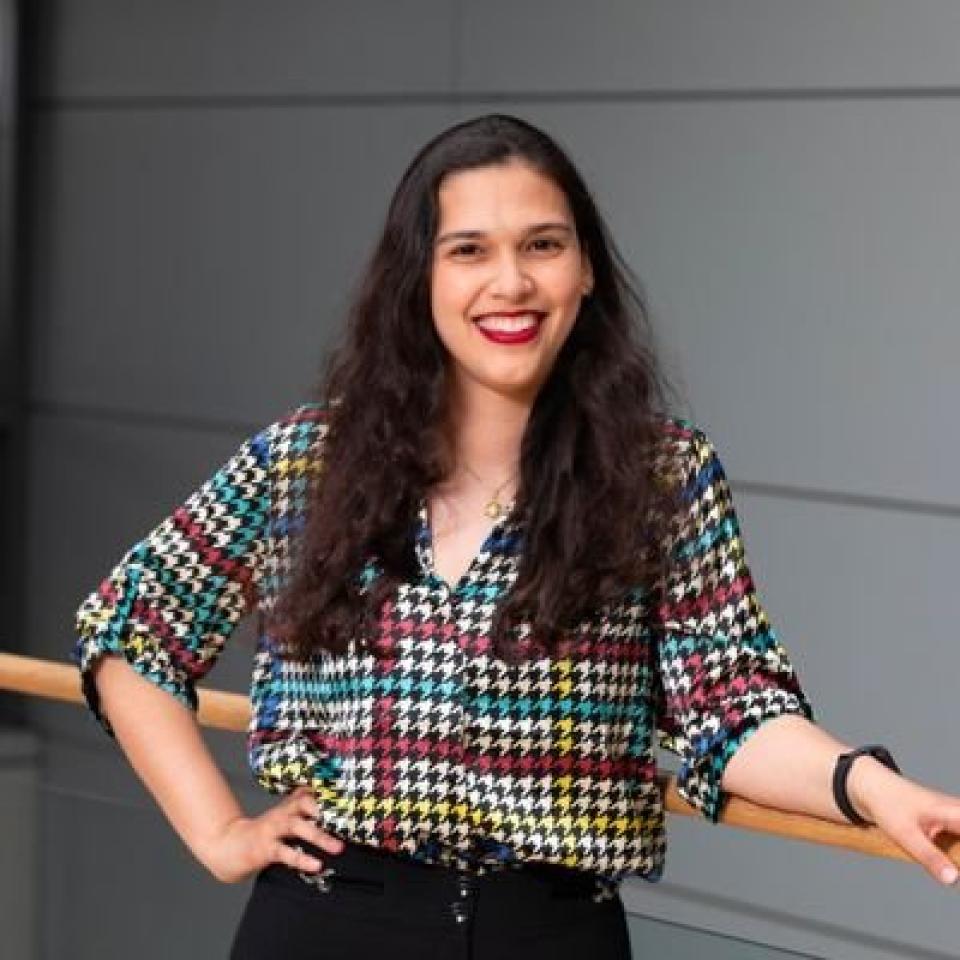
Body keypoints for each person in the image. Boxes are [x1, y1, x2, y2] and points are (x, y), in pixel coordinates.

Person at [72, 114, 960, 960]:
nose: (511, 284)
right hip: (328, 921)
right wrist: (220, 833)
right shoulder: (308, 461)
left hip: (553, 934)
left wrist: (872, 788)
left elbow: (733, 710)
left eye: (543, 244)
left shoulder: (663, 479)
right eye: (469, 251)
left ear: (587, 272)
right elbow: (130, 630)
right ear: (420, 280)